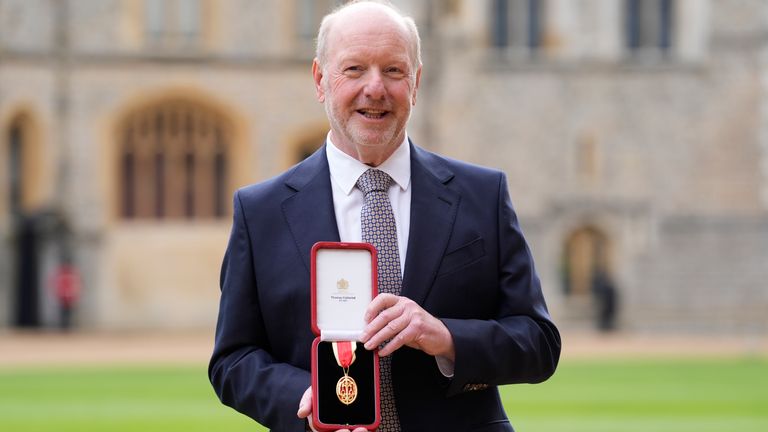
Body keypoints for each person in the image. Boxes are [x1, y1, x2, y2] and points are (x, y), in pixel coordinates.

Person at [208, 1, 561, 431]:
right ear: (321, 80)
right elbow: (233, 359)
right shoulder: (259, 212)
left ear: (416, 83)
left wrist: (445, 337)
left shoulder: (482, 195)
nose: (375, 88)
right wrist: (307, 399)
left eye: (393, 71)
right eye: (354, 69)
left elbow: (538, 342)